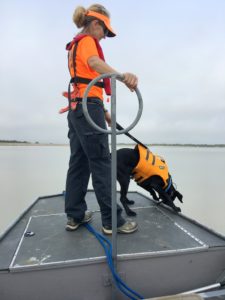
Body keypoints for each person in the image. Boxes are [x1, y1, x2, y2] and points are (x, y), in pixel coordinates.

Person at [64, 4, 138, 234]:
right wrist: (122, 77)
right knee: (101, 162)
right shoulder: (86, 41)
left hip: (78, 108)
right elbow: (95, 64)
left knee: (79, 163)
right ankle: (112, 221)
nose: (104, 37)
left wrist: (104, 112)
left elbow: (84, 80)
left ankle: (75, 215)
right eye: (105, 32)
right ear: (96, 24)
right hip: (87, 108)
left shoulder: (75, 45)